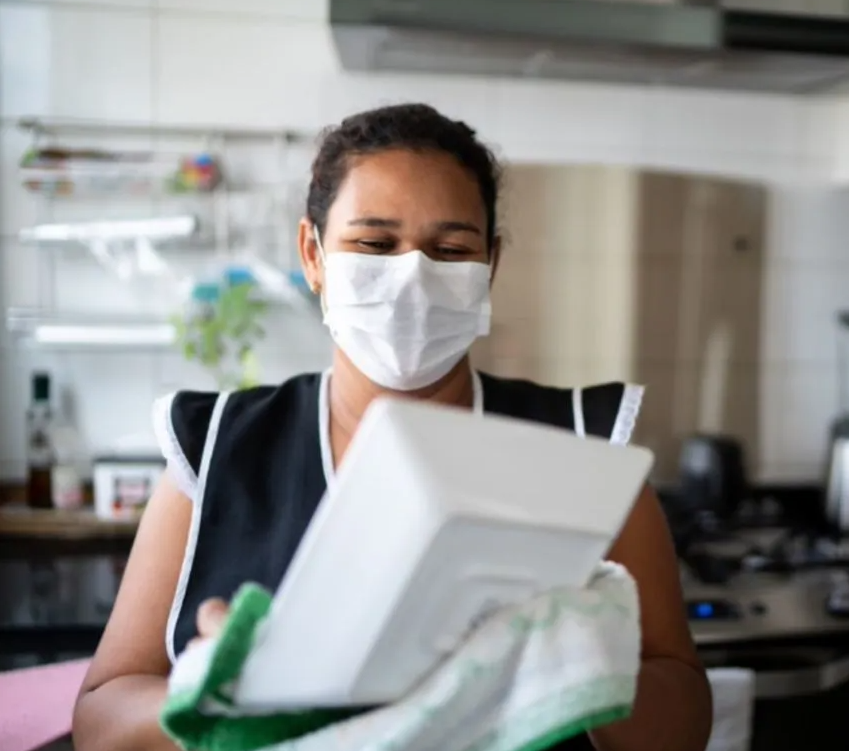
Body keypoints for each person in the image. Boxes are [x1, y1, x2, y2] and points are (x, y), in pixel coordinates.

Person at [72, 103, 712, 751]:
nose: (412, 275)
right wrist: (210, 693)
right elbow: (99, 720)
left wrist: (568, 662)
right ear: (312, 255)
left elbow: (683, 717)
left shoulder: (582, 448)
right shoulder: (213, 454)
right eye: (374, 244)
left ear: (488, 266)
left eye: (450, 248)